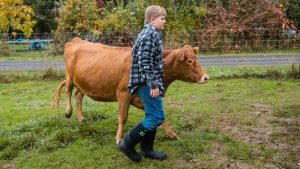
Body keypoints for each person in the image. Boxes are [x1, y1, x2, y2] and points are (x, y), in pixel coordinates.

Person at [118, 5, 167, 162]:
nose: (164, 21)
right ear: (152, 19)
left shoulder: (153, 34)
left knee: (151, 115)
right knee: (157, 116)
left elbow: (148, 57)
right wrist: (153, 84)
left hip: (148, 81)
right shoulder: (148, 35)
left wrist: (160, 62)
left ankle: (147, 149)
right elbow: (144, 61)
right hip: (146, 83)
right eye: (162, 18)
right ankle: (128, 143)